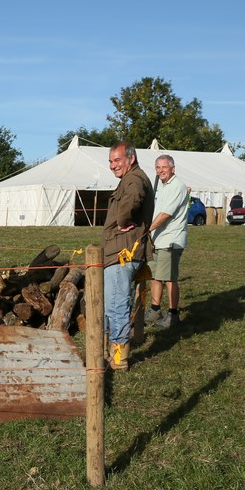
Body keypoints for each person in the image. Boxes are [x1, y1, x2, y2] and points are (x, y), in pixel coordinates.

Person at [102, 141, 154, 371]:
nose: (113, 166)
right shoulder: (131, 177)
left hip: (123, 252)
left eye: (117, 160)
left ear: (130, 159)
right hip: (119, 251)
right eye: (111, 161)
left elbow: (132, 199)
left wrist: (123, 220)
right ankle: (107, 350)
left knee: (116, 304)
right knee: (113, 303)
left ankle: (118, 357)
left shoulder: (133, 179)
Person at [144, 155, 189, 329]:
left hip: (171, 240)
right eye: (158, 167)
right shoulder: (160, 186)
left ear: (173, 168)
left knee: (170, 278)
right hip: (157, 239)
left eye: (164, 167)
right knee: (154, 275)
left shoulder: (177, 186)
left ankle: (173, 314)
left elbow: (165, 214)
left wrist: (147, 229)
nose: (161, 170)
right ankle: (155, 309)